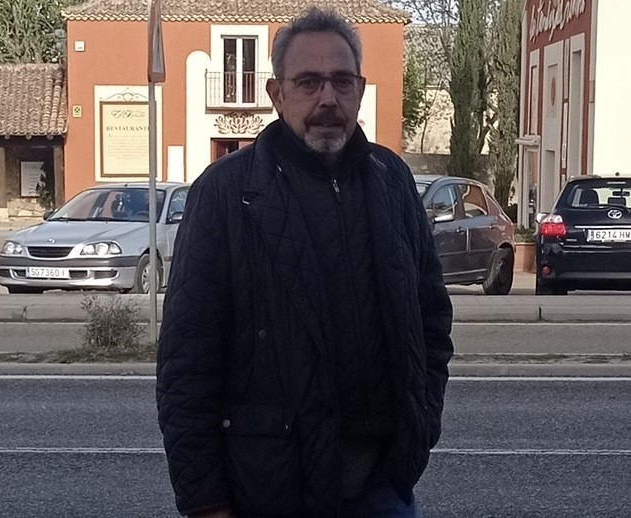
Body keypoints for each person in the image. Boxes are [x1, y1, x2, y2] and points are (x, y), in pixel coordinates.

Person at [157, 7, 454, 518]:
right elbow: (187, 362)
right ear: (277, 94)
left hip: (383, 488)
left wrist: (421, 421)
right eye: (309, 82)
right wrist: (205, 502)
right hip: (268, 490)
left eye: (342, 81)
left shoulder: (393, 180)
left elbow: (430, 318)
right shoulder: (226, 194)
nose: (327, 99)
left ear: (360, 89)